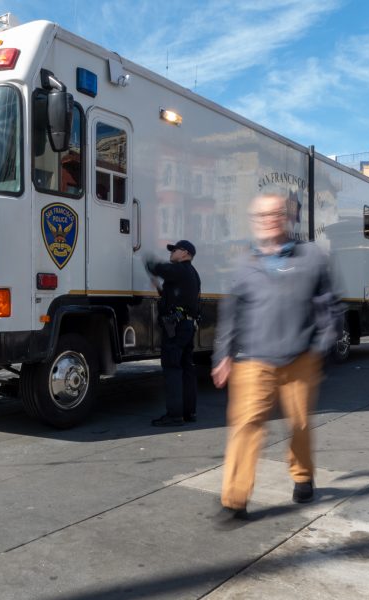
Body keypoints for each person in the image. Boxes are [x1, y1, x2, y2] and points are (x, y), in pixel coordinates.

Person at [211, 191, 340, 523]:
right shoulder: (243, 262)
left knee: (298, 423)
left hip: (300, 357)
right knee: (245, 425)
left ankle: (302, 475)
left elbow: (328, 303)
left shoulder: (311, 256)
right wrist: (223, 355)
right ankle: (235, 499)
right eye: (261, 216)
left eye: (275, 214)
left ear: (287, 217)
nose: (268, 220)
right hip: (253, 358)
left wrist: (323, 344)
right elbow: (232, 312)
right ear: (254, 221)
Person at [145, 239, 201, 427]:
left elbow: (156, 267)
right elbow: (179, 296)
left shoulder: (179, 270)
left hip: (175, 328)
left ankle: (174, 415)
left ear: (185, 253)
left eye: (174, 250)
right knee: (187, 369)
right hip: (187, 325)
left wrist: (145, 256)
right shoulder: (192, 273)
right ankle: (189, 412)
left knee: (172, 369)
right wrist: (160, 289)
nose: (171, 253)